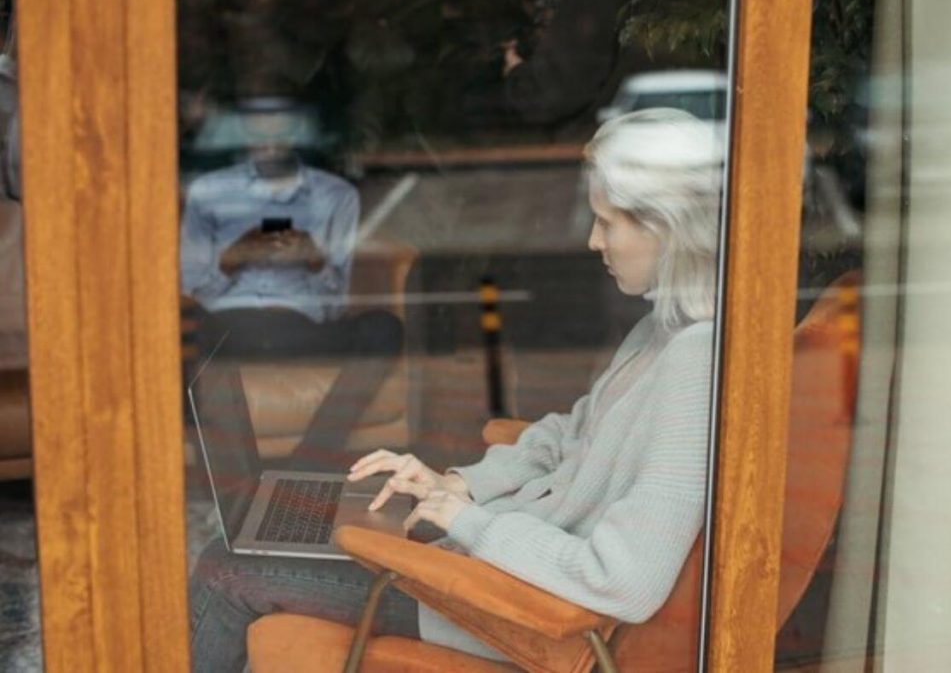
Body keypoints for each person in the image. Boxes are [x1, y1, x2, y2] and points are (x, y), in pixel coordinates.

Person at [189, 108, 723, 669]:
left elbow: (627, 580)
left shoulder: (692, 362)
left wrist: (469, 521)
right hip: (495, 564)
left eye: (607, 222)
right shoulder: (659, 332)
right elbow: (569, 437)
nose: (593, 241)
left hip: (504, 607)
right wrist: (459, 485)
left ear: (667, 225)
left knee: (225, 570)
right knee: (267, 538)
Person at [180, 96, 403, 471]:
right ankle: (243, 490)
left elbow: (337, 304)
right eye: (258, 122)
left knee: (385, 328)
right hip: (230, 327)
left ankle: (308, 465)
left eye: (280, 122)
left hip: (302, 328)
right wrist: (232, 259)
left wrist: (314, 260)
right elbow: (187, 289)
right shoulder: (209, 191)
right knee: (190, 338)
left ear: (300, 129)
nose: (269, 134)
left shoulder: (336, 195)